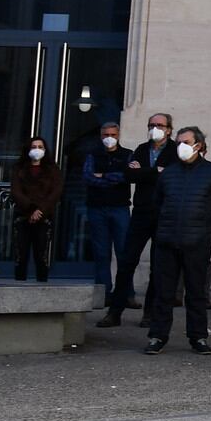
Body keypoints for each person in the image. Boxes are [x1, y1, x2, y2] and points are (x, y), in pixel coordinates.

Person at [142, 128, 211, 356]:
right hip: (167, 242)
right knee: (164, 292)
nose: (181, 145)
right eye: (179, 141)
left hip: (196, 243)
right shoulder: (169, 173)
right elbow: (157, 203)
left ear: (198, 146)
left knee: (196, 293)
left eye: (186, 142)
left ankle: (198, 337)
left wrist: (206, 229)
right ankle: (157, 336)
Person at [102, 112, 177, 328]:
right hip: (141, 212)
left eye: (160, 125)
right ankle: (115, 311)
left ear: (169, 129)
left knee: (158, 265)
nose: (155, 128)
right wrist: (155, 171)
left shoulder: (173, 151)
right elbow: (129, 175)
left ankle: (150, 313)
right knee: (127, 262)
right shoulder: (142, 149)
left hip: (163, 213)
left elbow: (170, 175)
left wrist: (144, 172)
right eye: (152, 124)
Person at [82, 122, 134, 303]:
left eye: (112, 134)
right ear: (100, 135)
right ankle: (103, 294)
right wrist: (113, 177)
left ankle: (127, 294)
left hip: (120, 207)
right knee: (101, 253)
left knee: (123, 252)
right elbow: (88, 177)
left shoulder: (127, 154)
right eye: (105, 135)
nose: (109, 138)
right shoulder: (92, 155)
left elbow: (127, 176)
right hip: (97, 207)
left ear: (118, 135)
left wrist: (102, 176)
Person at [10, 135, 62, 281]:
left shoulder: (52, 170)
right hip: (23, 215)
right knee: (21, 254)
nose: (37, 150)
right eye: (34, 147)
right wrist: (31, 208)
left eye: (40, 147)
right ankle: (19, 283)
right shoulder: (19, 169)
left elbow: (55, 192)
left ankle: (42, 283)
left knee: (42, 254)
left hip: (44, 216)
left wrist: (40, 210)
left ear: (45, 150)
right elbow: (16, 191)